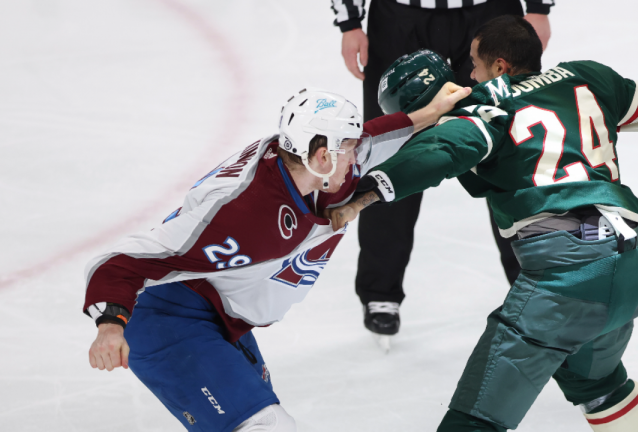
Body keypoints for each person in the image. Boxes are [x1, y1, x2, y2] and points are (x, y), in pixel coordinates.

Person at [329, 15, 638, 432]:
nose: (472, 75)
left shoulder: (485, 107)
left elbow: (444, 149)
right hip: (631, 265)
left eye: (475, 66)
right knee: (599, 384)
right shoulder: (585, 79)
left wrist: (360, 197)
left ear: (499, 67)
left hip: (567, 275)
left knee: (474, 418)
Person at [83, 85, 470, 432]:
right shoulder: (240, 212)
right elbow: (120, 262)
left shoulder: (315, 165)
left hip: (226, 317)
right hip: (170, 321)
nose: (359, 156)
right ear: (321, 156)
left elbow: (372, 138)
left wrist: (431, 112)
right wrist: (110, 325)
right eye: (349, 149)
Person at [331, 0, 555, 339]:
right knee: (394, 144)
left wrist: (539, 8)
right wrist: (349, 21)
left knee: (509, 141)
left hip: (491, 11)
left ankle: (534, 279)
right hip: (399, 16)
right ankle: (380, 291)